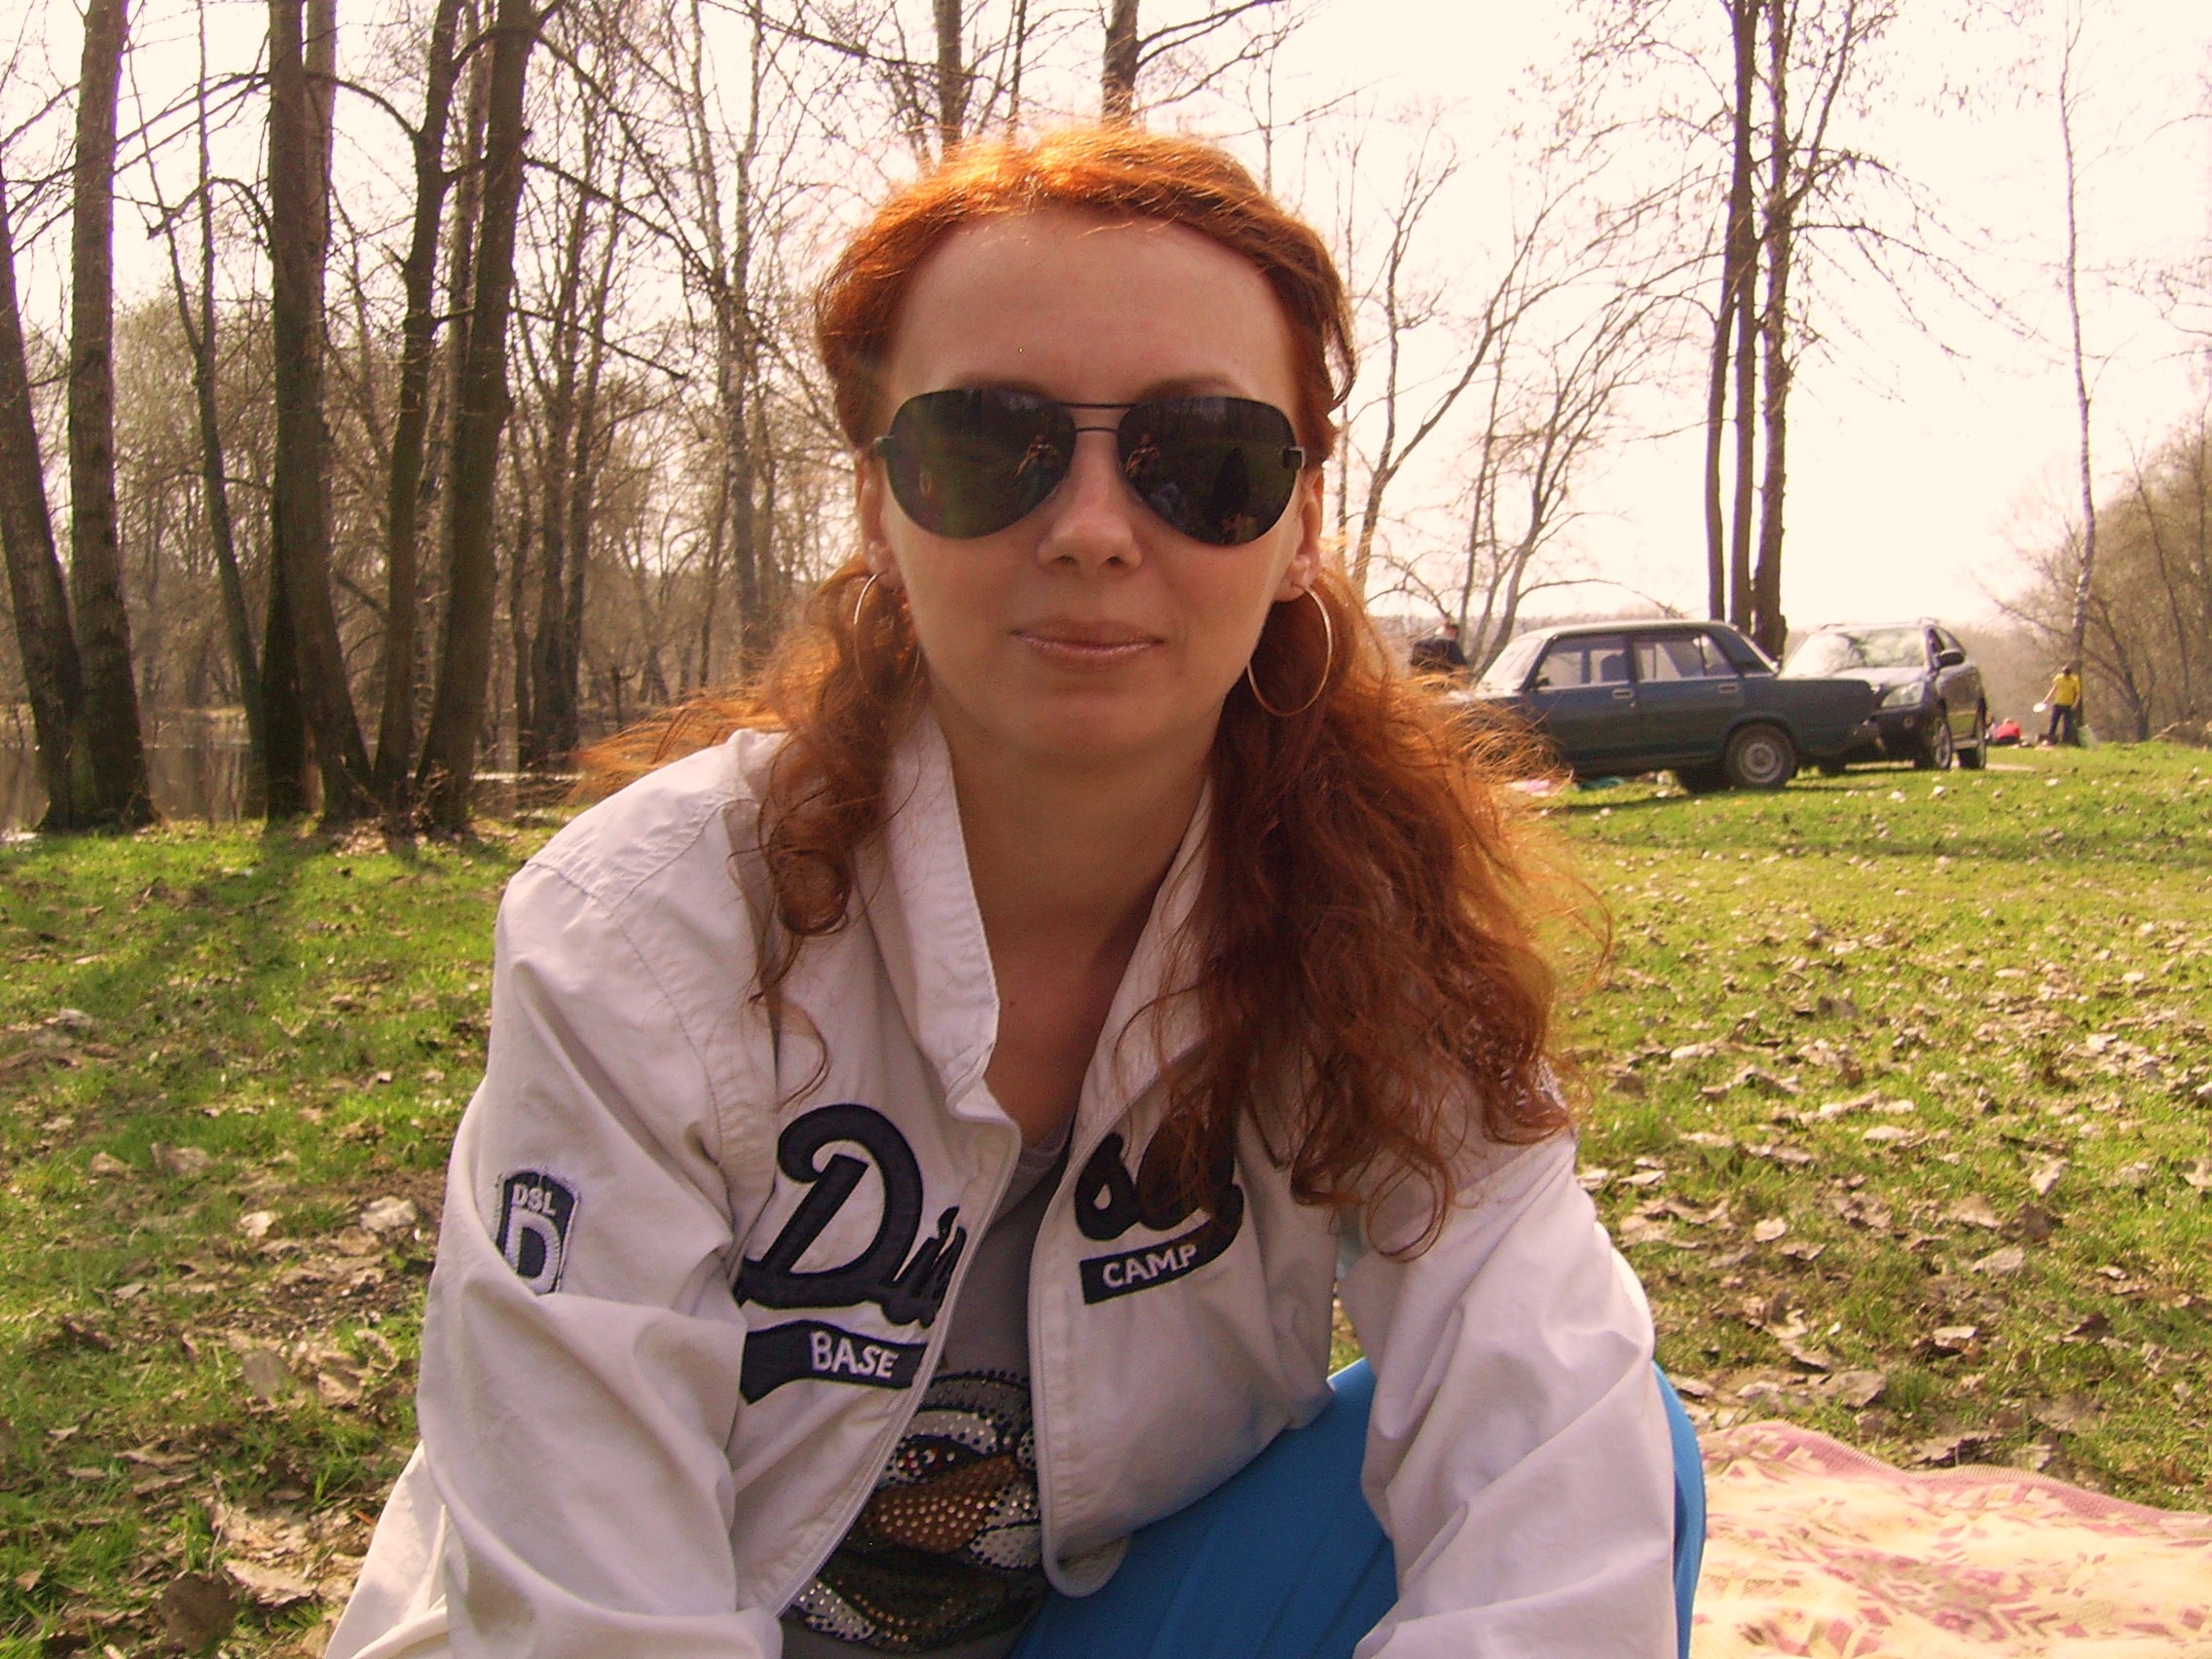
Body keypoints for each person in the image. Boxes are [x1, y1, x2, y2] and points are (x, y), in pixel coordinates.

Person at [327, 129, 1685, 1659]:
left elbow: (1555, 1451)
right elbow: (591, 1615)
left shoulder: (1370, 921)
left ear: (1302, 523)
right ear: (878, 509)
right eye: (987, 446)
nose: (1094, 530)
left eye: (1205, 461)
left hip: (1088, 1625)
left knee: (1631, 1465)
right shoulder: (648, 930)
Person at [2045, 662, 2083, 746]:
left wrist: (2075, 704)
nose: (2066, 676)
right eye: (2065, 674)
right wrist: (2046, 699)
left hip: (2068, 705)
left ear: (2070, 674)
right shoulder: (2058, 678)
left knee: (2067, 724)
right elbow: (2053, 689)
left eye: (2067, 674)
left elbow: (2078, 694)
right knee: (2053, 722)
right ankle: (2050, 739)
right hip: (2058, 704)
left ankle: (2065, 740)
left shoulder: (2074, 680)